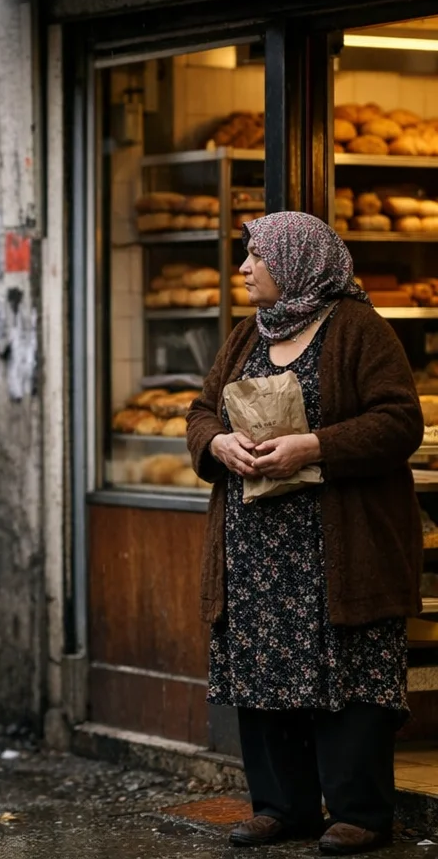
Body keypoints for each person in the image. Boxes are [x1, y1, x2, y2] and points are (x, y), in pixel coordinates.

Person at [187, 212, 423, 856]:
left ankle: (359, 813)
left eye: (254, 256)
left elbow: (400, 422)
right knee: (263, 673)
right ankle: (282, 807)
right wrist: (218, 444)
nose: (242, 268)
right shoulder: (245, 335)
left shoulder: (359, 331)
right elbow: (202, 409)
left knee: (348, 676)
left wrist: (313, 447)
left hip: (341, 549)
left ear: (294, 262)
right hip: (256, 550)